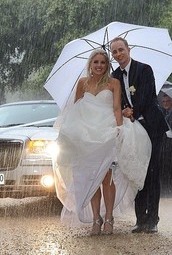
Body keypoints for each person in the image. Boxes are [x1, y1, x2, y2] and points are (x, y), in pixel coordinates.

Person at [53, 49, 151, 235]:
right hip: (86, 137)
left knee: (106, 177)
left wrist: (119, 129)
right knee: (91, 178)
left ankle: (108, 219)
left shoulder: (114, 83)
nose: (99, 65)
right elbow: (77, 110)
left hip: (105, 133)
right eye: (96, 62)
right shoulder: (82, 83)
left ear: (107, 65)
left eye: (103, 62)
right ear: (90, 64)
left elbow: (116, 108)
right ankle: (96, 219)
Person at [111, 37, 168, 233]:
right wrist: (125, 110)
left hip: (152, 127)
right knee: (137, 172)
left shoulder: (144, 69)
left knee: (152, 172)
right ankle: (140, 219)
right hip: (133, 131)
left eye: (121, 50)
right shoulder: (114, 75)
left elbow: (148, 96)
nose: (119, 54)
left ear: (129, 49)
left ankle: (152, 220)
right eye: (115, 52)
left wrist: (132, 110)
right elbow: (115, 101)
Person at [159, 94, 172, 195]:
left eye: (167, 101)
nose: (165, 103)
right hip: (163, 142)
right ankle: (164, 187)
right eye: (163, 102)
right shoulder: (161, 112)